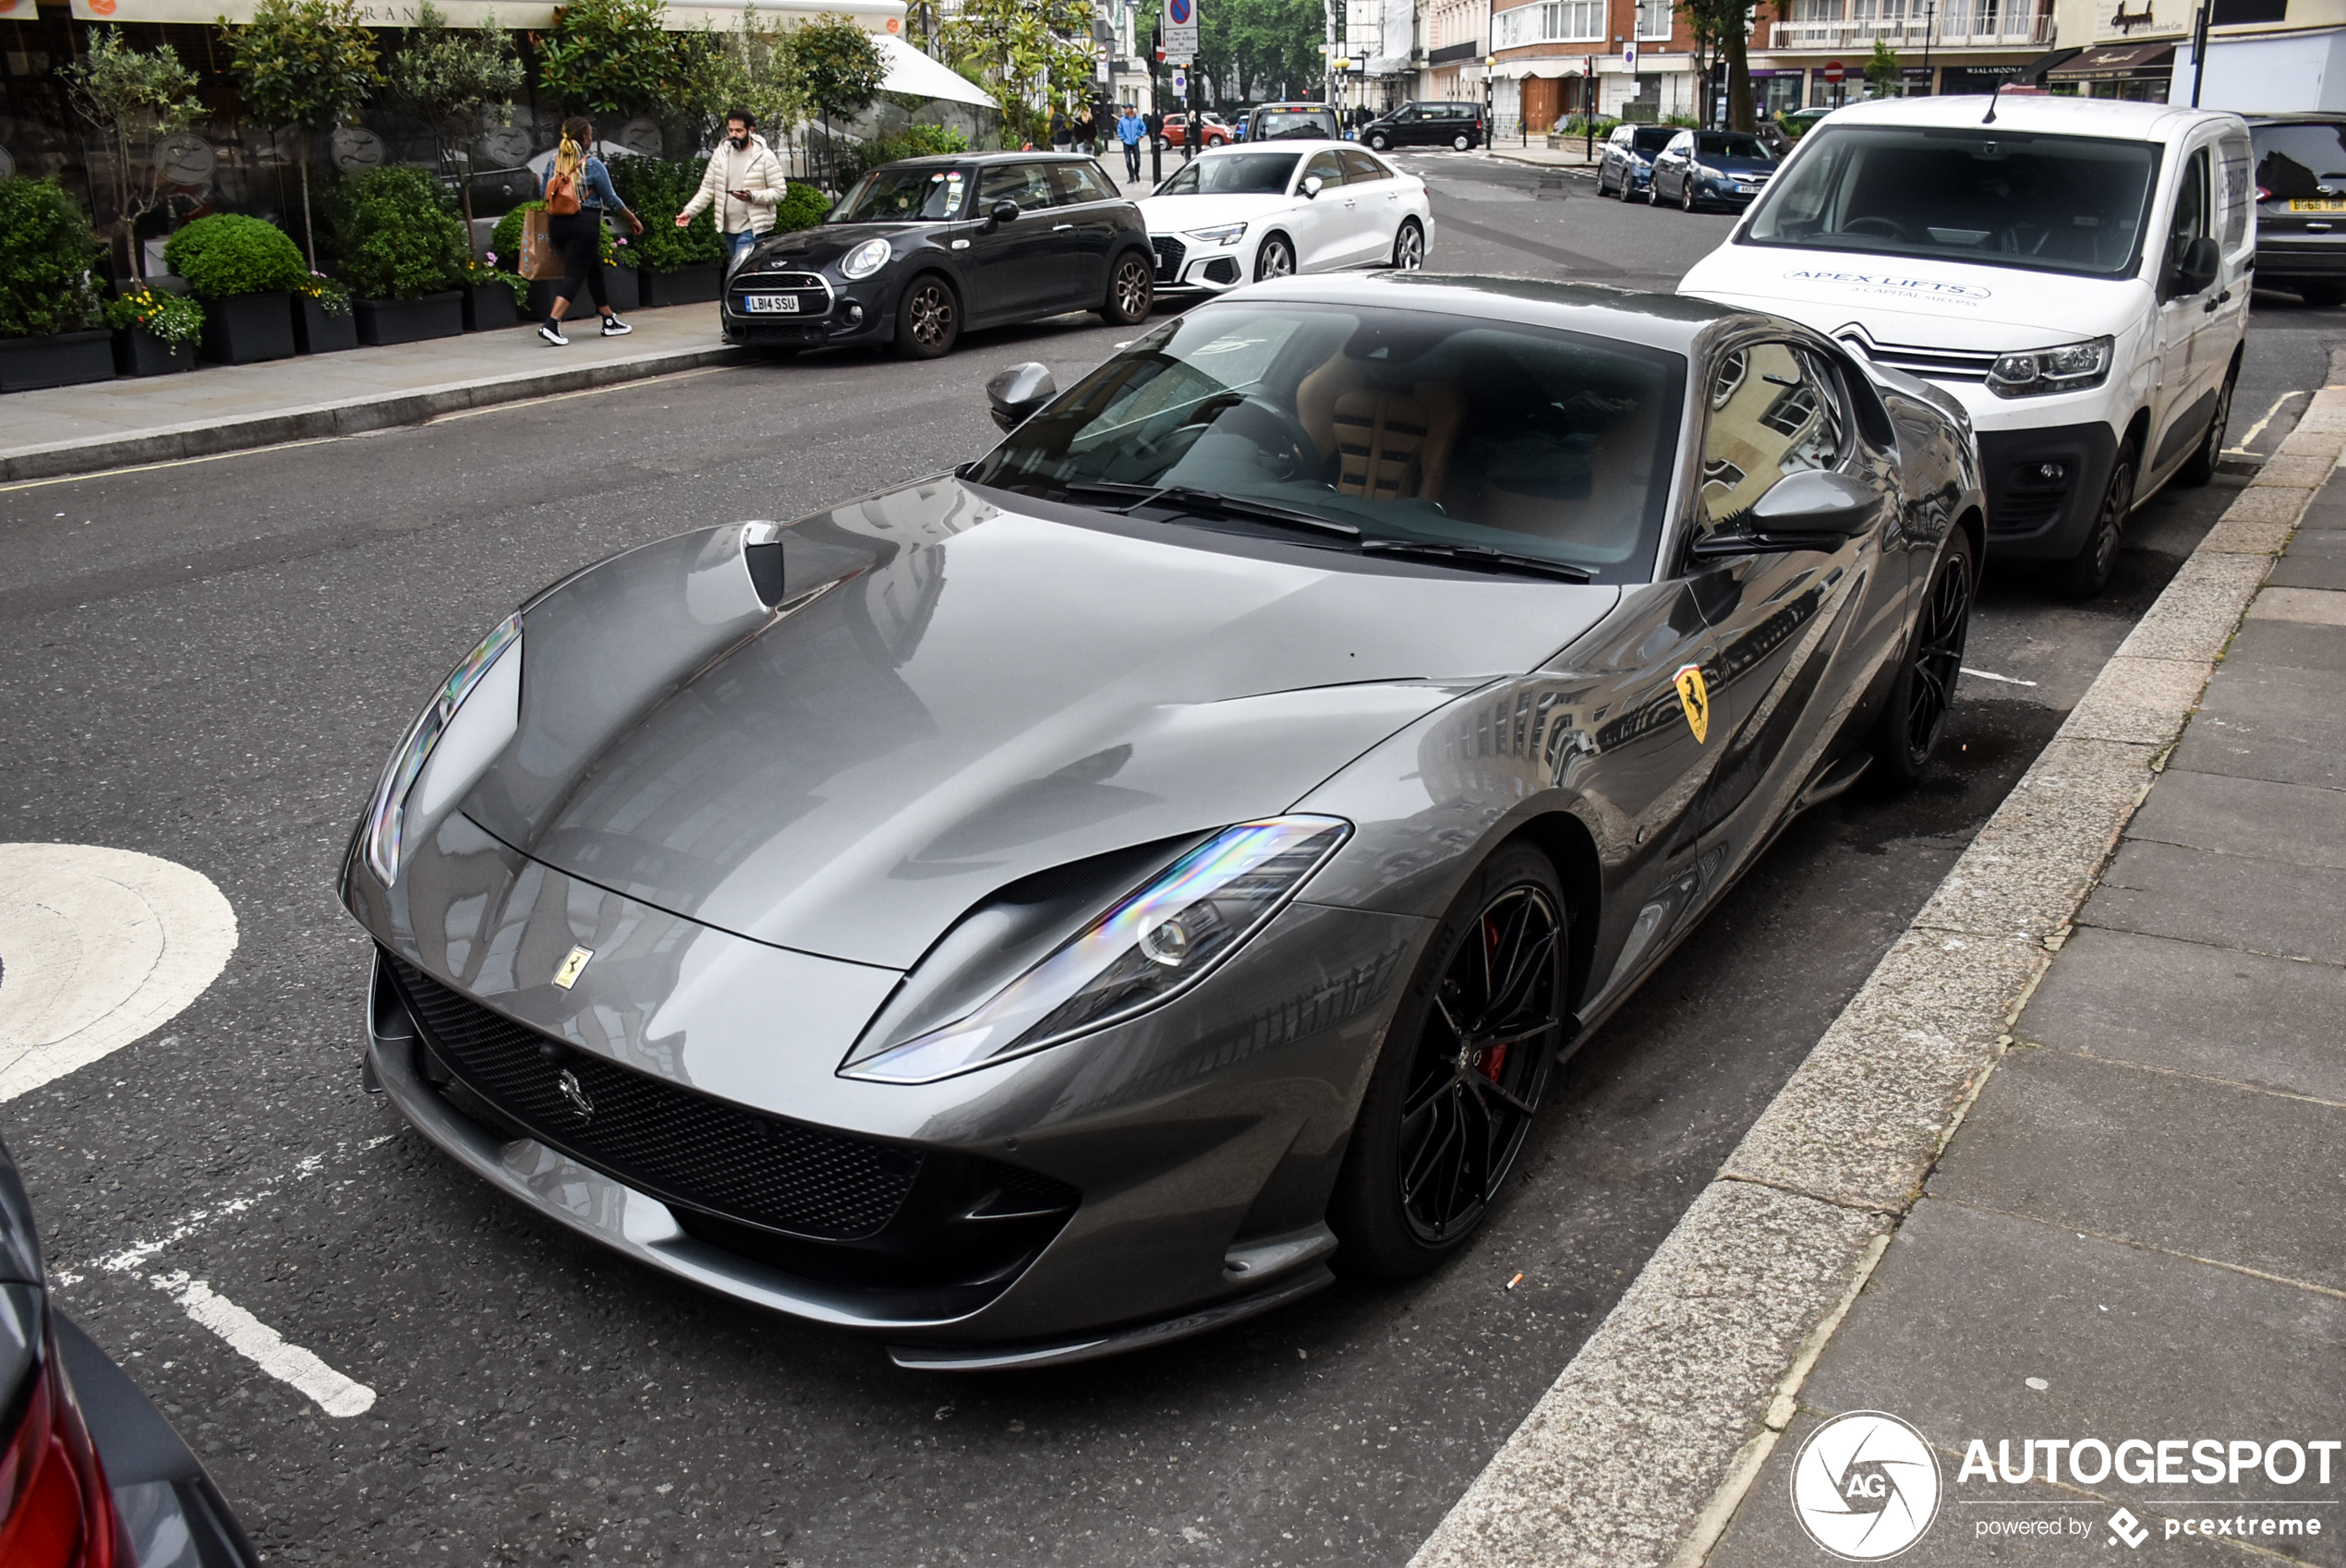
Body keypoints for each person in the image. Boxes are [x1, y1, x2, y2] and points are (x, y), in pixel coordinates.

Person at [538, 117, 643, 346]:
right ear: (584, 138)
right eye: (590, 134)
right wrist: (633, 218)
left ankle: (608, 319)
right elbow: (612, 200)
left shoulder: (553, 161)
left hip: (557, 222)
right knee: (575, 274)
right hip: (584, 223)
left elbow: (542, 192)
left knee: (593, 268)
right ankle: (551, 324)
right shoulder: (592, 165)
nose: (591, 138)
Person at [678, 109, 787, 276]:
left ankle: (739, 301)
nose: (733, 135)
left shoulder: (765, 156)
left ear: (750, 131)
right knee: (746, 274)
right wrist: (690, 211)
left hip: (752, 226)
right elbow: (708, 187)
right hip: (728, 226)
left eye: (739, 130)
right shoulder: (720, 155)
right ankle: (749, 300)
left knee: (738, 271)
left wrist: (752, 196)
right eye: (730, 130)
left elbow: (780, 192)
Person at [1116, 103, 1145, 182]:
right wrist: (1122, 138)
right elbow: (1119, 129)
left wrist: (1140, 136)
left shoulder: (1138, 119)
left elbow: (1143, 127)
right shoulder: (1122, 120)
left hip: (1135, 142)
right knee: (1128, 160)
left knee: (1138, 160)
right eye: (1125, 108)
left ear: (1131, 109)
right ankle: (1131, 176)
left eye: (1127, 108)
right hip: (1126, 142)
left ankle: (1136, 172)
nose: (1125, 110)